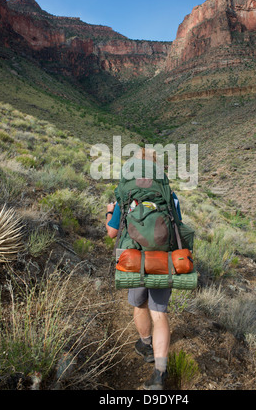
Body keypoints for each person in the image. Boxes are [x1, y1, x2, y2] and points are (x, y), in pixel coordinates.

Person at [105, 148, 182, 390]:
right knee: (159, 313)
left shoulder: (126, 194)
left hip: (134, 258)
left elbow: (112, 232)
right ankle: (159, 373)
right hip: (162, 259)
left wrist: (110, 211)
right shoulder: (169, 194)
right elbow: (178, 226)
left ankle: (145, 344)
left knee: (139, 304)